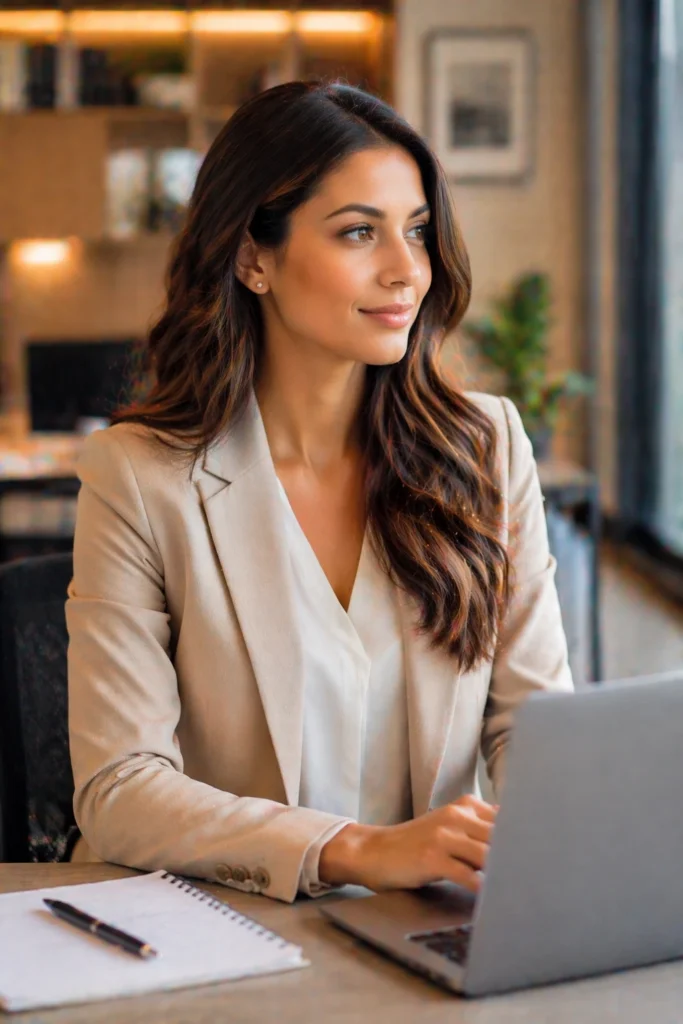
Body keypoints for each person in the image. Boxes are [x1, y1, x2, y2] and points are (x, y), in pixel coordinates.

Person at [66, 81, 573, 903]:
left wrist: (544, 847)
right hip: (217, 929)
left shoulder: (485, 448)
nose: (406, 269)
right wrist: (351, 849)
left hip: (422, 927)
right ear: (251, 257)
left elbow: (535, 729)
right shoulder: (138, 475)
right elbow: (118, 787)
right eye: (357, 233)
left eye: (415, 231)